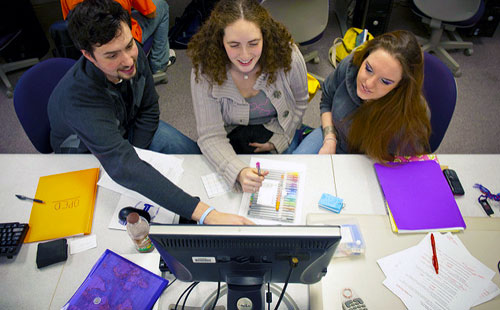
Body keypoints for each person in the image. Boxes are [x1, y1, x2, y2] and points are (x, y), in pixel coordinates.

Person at [48, 0, 253, 225]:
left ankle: (222, 206)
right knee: (117, 211)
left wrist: (138, 152)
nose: (128, 61)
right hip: (89, 152)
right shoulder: (77, 98)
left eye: (128, 46)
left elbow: (149, 108)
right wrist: (206, 215)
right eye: (112, 55)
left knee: (195, 158)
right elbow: (122, 165)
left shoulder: (131, 55)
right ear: (88, 55)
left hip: (129, 127)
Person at [187, 0, 309, 193]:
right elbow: (210, 134)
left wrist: (280, 140)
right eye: (234, 45)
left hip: (280, 128)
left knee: (294, 185)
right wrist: (239, 171)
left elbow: (300, 103)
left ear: (265, 37)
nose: (245, 55)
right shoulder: (204, 71)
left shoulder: (289, 55)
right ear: (220, 42)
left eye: (253, 43)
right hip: (230, 135)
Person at [294, 30, 431, 162]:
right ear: (365, 57)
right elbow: (327, 100)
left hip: (373, 158)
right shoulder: (350, 65)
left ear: (400, 86)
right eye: (368, 69)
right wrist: (329, 138)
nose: (368, 83)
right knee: (295, 167)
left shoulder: (410, 115)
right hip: (334, 135)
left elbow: (408, 164)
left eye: (385, 81)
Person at [60, 0, 175, 74]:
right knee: (161, 6)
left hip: (91, 45)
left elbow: (71, 20)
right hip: (121, 36)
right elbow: (150, 12)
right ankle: (159, 64)